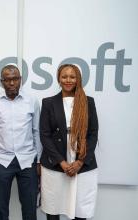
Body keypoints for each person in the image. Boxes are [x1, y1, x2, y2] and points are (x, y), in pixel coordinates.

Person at [39, 64, 99, 220]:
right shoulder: (48, 103)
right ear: (59, 78)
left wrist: (80, 161)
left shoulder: (88, 102)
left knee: (80, 209)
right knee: (53, 208)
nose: (68, 80)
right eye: (64, 76)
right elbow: (45, 135)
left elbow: (93, 133)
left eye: (72, 77)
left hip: (83, 163)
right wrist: (62, 162)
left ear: (78, 79)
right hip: (54, 163)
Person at [0, 64, 42, 220]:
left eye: (15, 79)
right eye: (8, 80)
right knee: (1, 207)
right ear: (1, 81)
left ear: (20, 80)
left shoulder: (32, 101)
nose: (11, 83)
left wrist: (38, 160)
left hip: (28, 160)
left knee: (30, 206)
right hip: (2, 161)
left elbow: (36, 131)